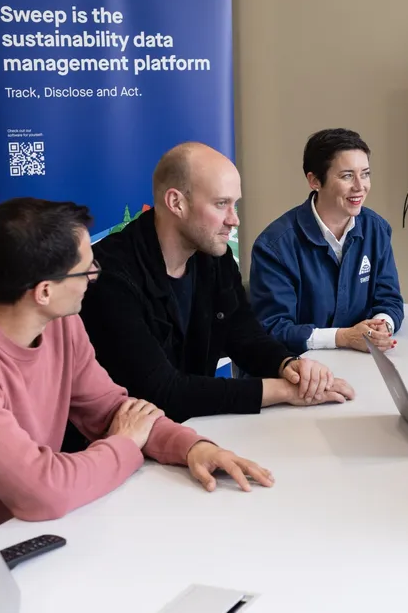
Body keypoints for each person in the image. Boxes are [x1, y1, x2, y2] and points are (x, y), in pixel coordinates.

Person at [0, 198, 274, 601]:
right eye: (86, 269)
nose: (95, 276)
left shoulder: (59, 325)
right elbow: (42, 491)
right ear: (44, 291)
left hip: (16, 546)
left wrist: (192, 447)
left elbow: (116, 410)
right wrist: (124, 444)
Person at [74, 143, 353, 434]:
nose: (234, 220)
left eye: (235, 204)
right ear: (176, 203)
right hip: (121, 445)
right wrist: (283, 391)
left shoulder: (214, 258)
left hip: (192, 430)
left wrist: (287, 366)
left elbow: (244, 334)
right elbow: (161, 391)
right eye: (221, 204)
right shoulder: (108, 276)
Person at [250, 128, 403, 355]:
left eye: (365, 174)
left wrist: (382, 326)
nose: (360, 186)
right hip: (297, 366)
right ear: (314, 181)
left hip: (357, 362)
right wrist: (343, 337)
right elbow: (273, 328)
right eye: (347, 176)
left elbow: (389, 299)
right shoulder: (275, 245)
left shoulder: (376, 229)